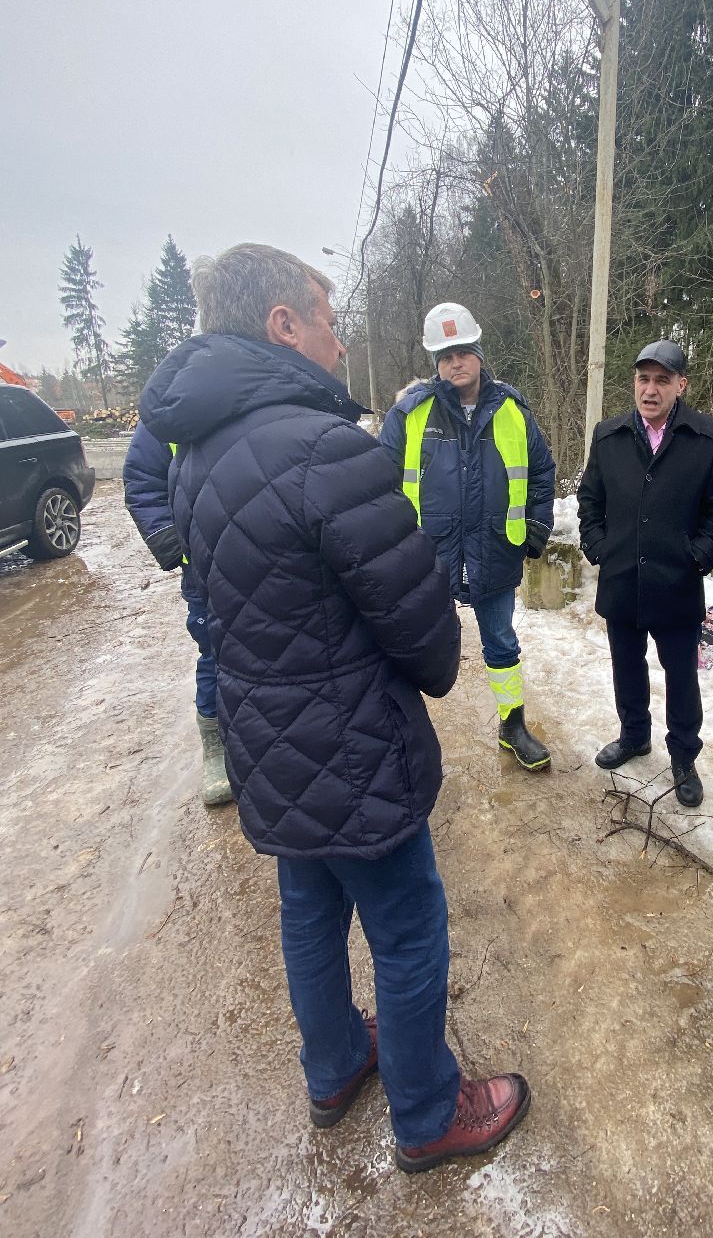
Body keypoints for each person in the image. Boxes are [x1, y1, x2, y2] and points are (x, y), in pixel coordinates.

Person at [139, 245, 529, 1173]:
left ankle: (335, 1067)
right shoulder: (325, 450)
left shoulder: (195, 460)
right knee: (405, 927)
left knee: (308, 911)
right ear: (282, 325)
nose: (337, 334)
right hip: (355, 751)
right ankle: (430, 1114)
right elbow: (426, 634)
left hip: (267, 747)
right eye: (325, 315)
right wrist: (440, 662)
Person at [380, 303, 556, 772]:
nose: (455, 363)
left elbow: (540, 471)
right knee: (407, 644)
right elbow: (377, 482)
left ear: (479, 354)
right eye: (444, 356)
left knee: (500, 640)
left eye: (462, 352)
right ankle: (394, 734)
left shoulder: (513, 411)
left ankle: (512, 724)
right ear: (435, 363)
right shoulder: (410, 414)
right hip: (426, 555)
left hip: (495, 548)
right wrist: (392, 547)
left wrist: (536, 528)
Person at [577, 340, 713, 807]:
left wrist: (697, 557)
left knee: (680, 675)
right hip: (622, 580)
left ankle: (684, 756)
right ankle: (633, 736)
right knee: (627, 667)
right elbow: (590, 500)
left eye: (662, 380)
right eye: (643, 379)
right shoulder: (608, 436)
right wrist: (599, 546)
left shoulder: (707, 437)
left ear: (680, 385)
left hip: (677, 584)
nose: (651, 389)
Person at [122, 421, 232, 806]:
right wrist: (175, 545)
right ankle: (216, 748)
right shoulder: (170, 412)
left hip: (265, 552)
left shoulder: (259, 392)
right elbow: (141, 480)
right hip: (203, 567)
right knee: (215, 650)